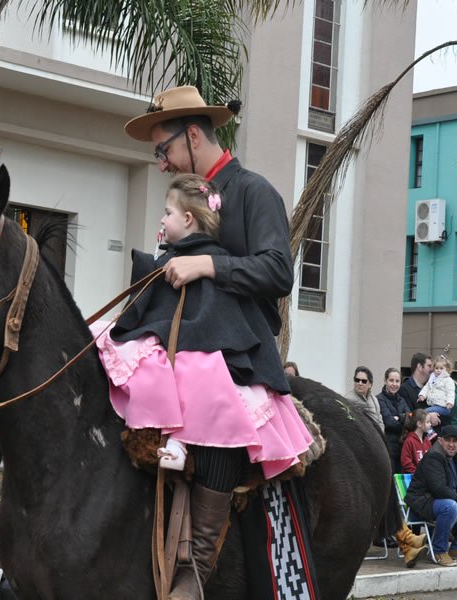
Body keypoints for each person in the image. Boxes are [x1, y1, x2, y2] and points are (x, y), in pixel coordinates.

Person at [122, 86, 300, 599]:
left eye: (164, 151)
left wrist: (207, 264)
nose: (161, 164)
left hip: (239, 351)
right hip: (182, 338)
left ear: (193, 134)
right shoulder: (184, 199)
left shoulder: (253, 190)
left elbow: (279, 270)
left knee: (219, 415)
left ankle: (195, 568)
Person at [94, 174, 310, 475]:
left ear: (187, 218)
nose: (162, 219)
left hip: (201, 349)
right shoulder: (177, 258)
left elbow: (215, 316)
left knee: (192, 377)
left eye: (167, 213)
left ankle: (179, 443)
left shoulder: (210, 261)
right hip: (181, 342)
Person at [406, 425, 457, 567]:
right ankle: (439, 550)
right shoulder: (433, 457)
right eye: (448, 440)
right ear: (440, 440)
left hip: (442, 505)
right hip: (422, 505)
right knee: (451, 506)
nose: (451, 444)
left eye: (455, 441)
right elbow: (439, 490)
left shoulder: (456, 458)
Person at [377, 368, 412, 474]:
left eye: (397, 381)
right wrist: (403, 418)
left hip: (403, 450)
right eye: (391, 380)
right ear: (385, 380)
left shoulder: (402, 400)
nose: (394, 384)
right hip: (388, 449)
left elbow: (411, 419)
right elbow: (389, 423)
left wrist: (399, 418)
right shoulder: (379, 399)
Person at [344, 366, 383, 431]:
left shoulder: (374, 399)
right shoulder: (347, 399)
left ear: (370, 384)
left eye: (364, 381)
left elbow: (380, 421)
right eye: (357, 380)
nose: (360, 383)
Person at [400, 409, 431, 474]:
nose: (430, 424)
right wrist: (417, 473)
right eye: (427, 422)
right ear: (419, 424)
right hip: (414, 479)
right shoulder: (409, 441)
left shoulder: (427, 441)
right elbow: (406, 462)